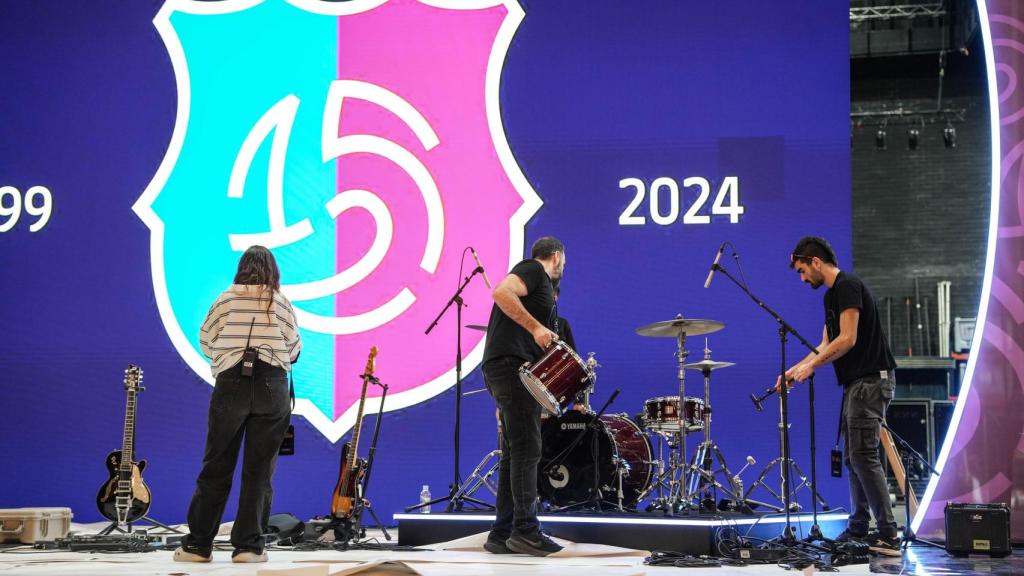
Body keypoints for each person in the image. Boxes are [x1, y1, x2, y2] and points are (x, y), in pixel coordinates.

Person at [175, 245, 302, 564]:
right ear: (273, 271)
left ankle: (198, 546)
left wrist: (227, 355)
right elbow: (295, 348)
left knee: (216, 465)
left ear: (241, 268)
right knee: (259, 471)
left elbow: (205, 340)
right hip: (272, 388)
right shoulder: (280, 301)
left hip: (230, 386)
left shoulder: (225, 299)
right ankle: (248, 546)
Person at [780, 236, 900, 556]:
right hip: (857, 385)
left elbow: (847, 339)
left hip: (870, 382)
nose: (803, 278)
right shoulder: (831, 297)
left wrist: (812, 367)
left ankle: (888, 534)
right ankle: (860, 528)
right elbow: (825, 345)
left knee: (863, 456)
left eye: (803, 271)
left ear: (816, 262)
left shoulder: (847, 285)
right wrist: (795, 370)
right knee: (853, 457)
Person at [481, 236, 565, 556]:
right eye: (563, 263)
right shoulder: (533, 270)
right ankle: (526, 531)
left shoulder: (541, 286)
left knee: (515, 452)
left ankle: (502, 534)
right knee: (528, 448)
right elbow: (501, 291)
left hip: (511, 370)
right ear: (556, 257)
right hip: (511, 368)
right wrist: (536, 329)